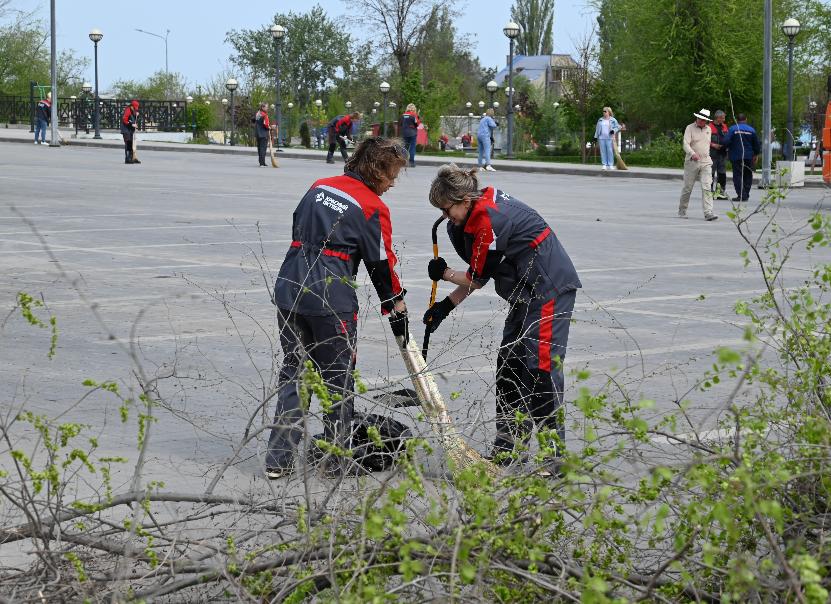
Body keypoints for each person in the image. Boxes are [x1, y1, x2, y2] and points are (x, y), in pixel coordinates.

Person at [422, 164, 581, 472]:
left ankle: (554, 458)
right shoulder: (468, 218)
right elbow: (482, 273)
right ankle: (509, 447)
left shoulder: (488, 220)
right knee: (509, 366)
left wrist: (444, 274)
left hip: (547, 289)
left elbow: (476, 277)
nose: (445, 216)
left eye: (447, 208)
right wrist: (444, 307)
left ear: (464, 199)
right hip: (525, 292)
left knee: (540, 370)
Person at [266, 137, 409, 478]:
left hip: (290, 288)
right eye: (391, 175)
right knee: (337, 380)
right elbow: (380, 262)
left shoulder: (319, 186)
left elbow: (298, 225)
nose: (393, 183)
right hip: (331, 299)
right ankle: (335, 459)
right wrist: (395, 302)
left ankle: (278, 461)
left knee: (294, 373)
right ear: (377, 171)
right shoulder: (373, 207)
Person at [678, 108, 717, 221]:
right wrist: (692, 153)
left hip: (706, 162)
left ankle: (708, 212)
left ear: (707, 121)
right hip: (692, 161)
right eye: (700, 118)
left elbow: (706, 144)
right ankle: (682, 209)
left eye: (704, 120)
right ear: (697, 117)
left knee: (707, 187)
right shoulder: (689, 128)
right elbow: (685, 143)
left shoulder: (708, 129)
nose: (701, 121)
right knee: (687, 188)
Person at [723, 113, 761, 202]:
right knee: (748, 175)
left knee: (738, 176)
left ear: (737, 120)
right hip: (749, 156)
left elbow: (725, 141)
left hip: (736, 156)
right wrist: (756, 154)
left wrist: (728, 148)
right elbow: (756, 145)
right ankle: (746, 194)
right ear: (746, 119)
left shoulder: (733, 129)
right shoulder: (751, 130)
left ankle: (741, 195)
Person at [709, 110, 730, 200]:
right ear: (718, 118)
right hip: (712, 153)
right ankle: (709, 192)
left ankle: (721, 192)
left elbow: (728, 137)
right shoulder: (709, 127)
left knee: (722, 174)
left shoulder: (725, 126)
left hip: (722, 153)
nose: (724, 119)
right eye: (723, 118)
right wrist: (713, 145)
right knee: (711, 173)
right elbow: (704, 139)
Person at [120, 99, 141, 164]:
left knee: (132, 144)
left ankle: (133, 158)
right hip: (126, 129)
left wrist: (137, 115)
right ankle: (128, 159)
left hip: (130, 130)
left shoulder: (133, 111)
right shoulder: (128, 110)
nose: (135, 109)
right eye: (134, 108)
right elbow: (125, 120)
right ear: (131, 106)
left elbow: (134, 119)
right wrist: (132, 124)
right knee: (128, 143)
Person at [254, 102, 271, 167]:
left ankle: (261, 162)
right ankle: (262, 163)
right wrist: (269, 127)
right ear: (262, 107)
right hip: (263, 133)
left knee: (259, 148)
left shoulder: (258, 113)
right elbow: (266, 124)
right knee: (263, 148)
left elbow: (253, 120)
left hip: (258, 133)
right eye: (266, 107)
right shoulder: (264, 115)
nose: (267, 108)